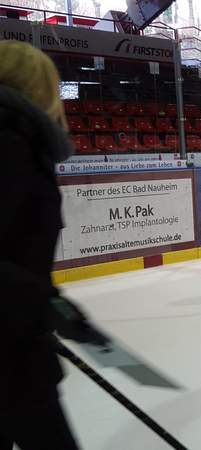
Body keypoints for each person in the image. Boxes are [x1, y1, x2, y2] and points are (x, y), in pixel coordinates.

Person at [0, 40, 95, 450]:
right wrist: (42, 303)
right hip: (10, 355)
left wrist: (48, 303)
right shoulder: (9, 145)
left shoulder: (17, 142)